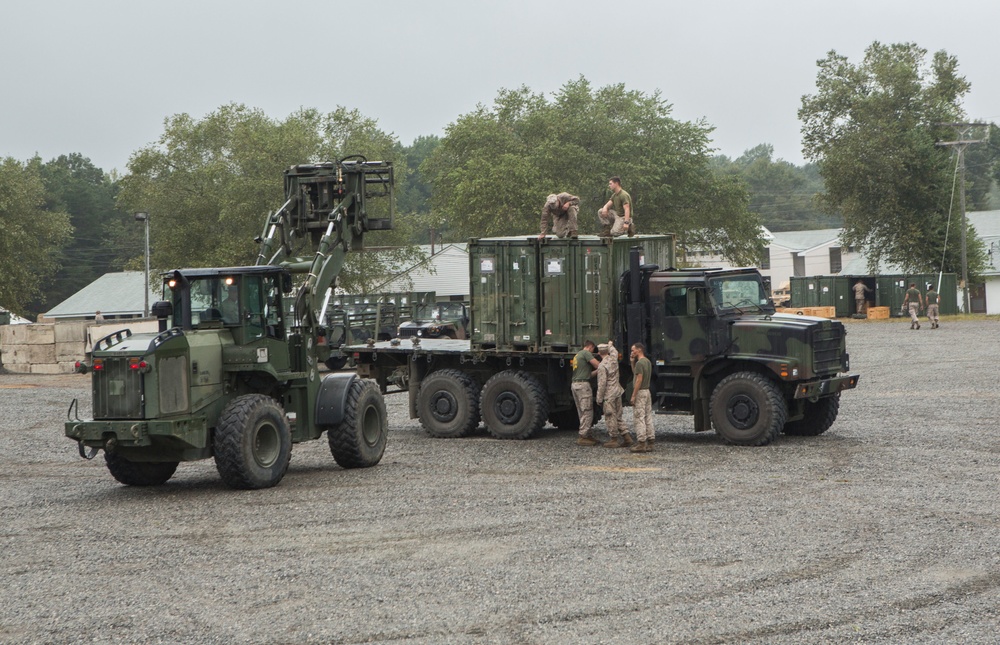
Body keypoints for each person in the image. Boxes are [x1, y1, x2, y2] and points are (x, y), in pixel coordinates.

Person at [596, 342, 632, 448]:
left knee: (610, 415)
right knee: (618, 415)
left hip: (609, 394)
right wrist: (611, 345)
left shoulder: (602, 366)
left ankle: (614, 439)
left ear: (598, 353)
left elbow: (602, 384)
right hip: (617, 391)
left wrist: (599, 398)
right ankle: (627, 437)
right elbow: (615, 352)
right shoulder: (613, 359)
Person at [572, 340, 601, 446]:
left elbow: (587, 374)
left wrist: (598, 372)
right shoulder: (586, 353)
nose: (593, 351)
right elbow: (597, 365)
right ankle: (583, 436)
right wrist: (604, 360)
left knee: (582, 411)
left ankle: (586, 434)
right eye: (593, 348)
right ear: (590, 346)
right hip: (583, 386)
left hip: (576, 385)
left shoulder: (578, 355)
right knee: (587, 411)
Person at [629, 342, 654, 452]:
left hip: (640, 392)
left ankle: (641, 443)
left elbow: (638, 379)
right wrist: (632, 363)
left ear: (639, 350)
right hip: (647, 392)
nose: (632, 352)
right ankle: (651, 441)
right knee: (648, 416)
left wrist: (634, 395)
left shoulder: (640, 363)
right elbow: (636, 373)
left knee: (639, 417)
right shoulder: (647, 362)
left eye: (633, 350)